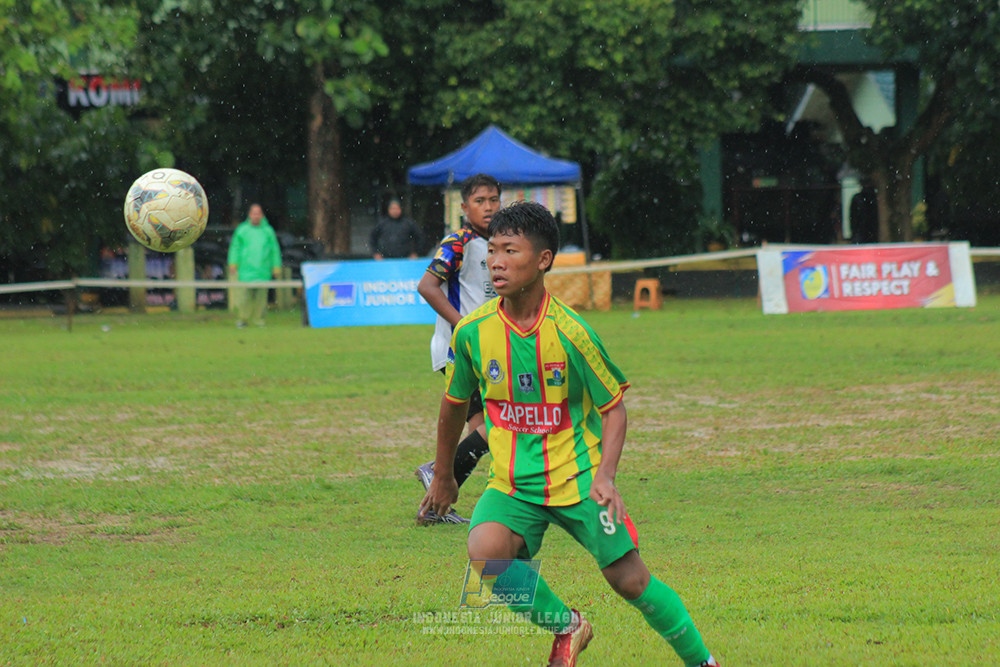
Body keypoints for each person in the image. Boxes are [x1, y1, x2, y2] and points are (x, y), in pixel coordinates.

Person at [419, 201, 720, 667]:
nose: (496, 262)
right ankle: (569, 626)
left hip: (578, 479)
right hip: (515, 484)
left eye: (510, 251)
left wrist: (606, 476)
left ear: (543, 261)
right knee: (485, 552)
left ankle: (703, 661)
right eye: (493, 251)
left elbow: (614, 409)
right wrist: (444, 475)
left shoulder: (572, 333)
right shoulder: (473, 333)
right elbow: (453, 407)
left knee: (629, 581)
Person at [414, 174, 502, 524]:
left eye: (494, 199)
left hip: (487, 351)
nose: (489, 207)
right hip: (459, 351)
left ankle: (434, 508)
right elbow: (427, 286)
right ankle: (439, 470)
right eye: (480, 201)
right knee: (497, 426)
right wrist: (463, 325)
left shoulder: (499, 241)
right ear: (464, 207)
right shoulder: (459, 243)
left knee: (485, 435)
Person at [227, 203, 282, 328]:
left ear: (262, 215)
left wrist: (276, 266)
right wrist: (233, 263)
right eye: (254, 213)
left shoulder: (268, 231)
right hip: (245, 270)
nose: (256, 216)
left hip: (263, 270)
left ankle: (259, 320)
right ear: (250, 215)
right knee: (244, 298)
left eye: (258, 213)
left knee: (261, 300)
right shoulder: (242, 230)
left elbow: (274, 250)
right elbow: (235, 248)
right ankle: (242, 319)